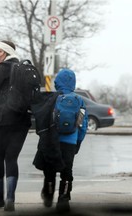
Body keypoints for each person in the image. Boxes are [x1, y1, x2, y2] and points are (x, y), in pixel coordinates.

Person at [0, 40, 31, 211]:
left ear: (7, 52)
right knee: (12, 159)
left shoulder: (3, 68)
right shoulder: (23, 68)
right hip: (22, 121)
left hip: (2, 120)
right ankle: (11, 198)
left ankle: (0, 199)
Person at [32, 68, 88, 212]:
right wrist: (78, 142)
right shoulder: (79, 100)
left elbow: (44, 120)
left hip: (53, 141)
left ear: (58, 82)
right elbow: (82, 124)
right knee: (67, 171)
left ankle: (49, 194)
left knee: (49, 170)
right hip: (70, 141)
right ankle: (63, 199)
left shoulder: (52, 98)